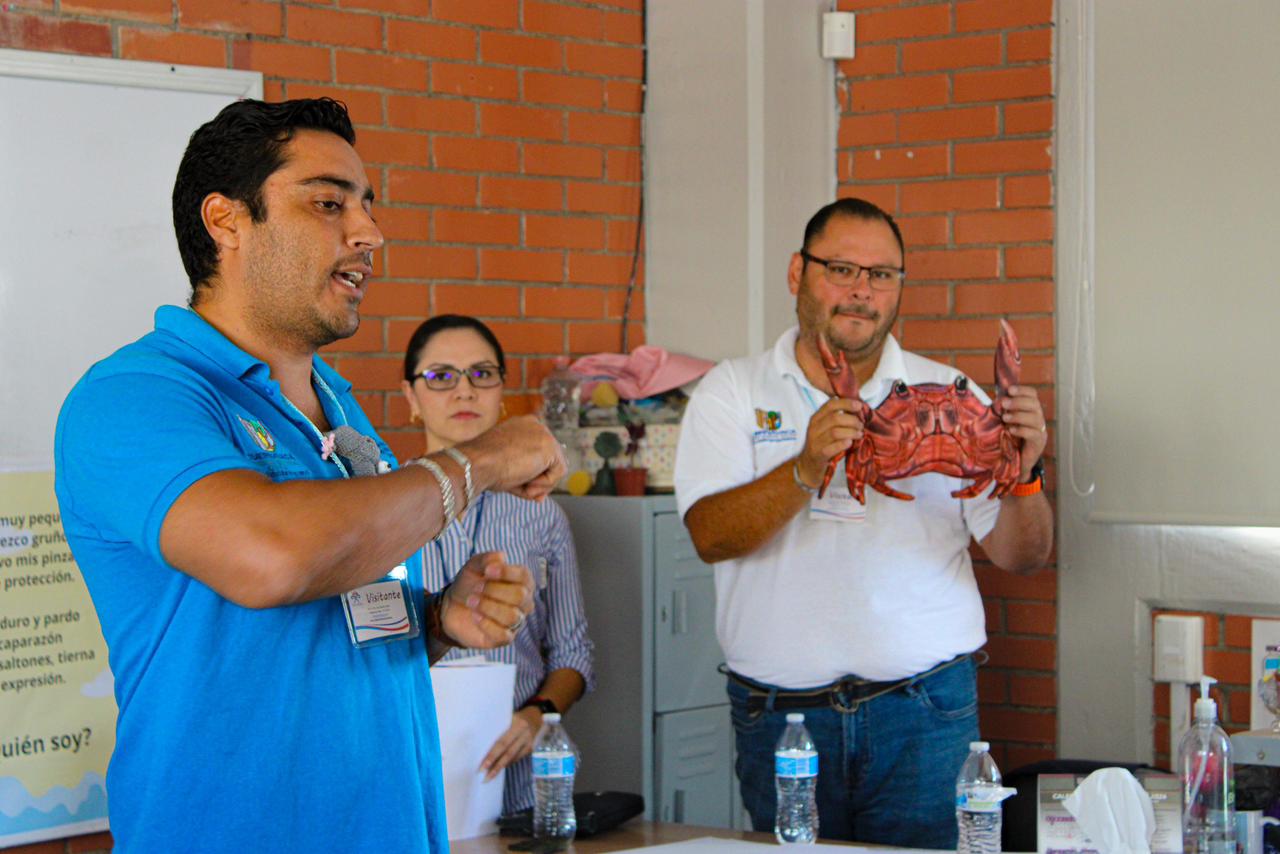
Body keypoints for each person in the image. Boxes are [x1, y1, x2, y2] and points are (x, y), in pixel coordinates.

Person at [53, 98, 565, 853]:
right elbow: (274, 558)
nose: (369, 233)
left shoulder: (339, 408)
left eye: (367, 207)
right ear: (227, 221)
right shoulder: (135, 396)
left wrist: (435, 622)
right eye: (329, 204)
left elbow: (334, 620)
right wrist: (478, 460)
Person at [673, 197, 1053, 849]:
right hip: (784, 722)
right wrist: (804, 466)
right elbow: (711, 536)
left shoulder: (955, 396)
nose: (862, 291)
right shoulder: (732, 391)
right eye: (842, 269)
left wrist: (1024, 472)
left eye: (881, 275)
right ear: (798, 272)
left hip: (926, 714)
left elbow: (1023, 555)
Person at [400, 313, 595, 815]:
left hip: (525, 782)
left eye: (482, 374)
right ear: (411, 398)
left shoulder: (540, 512)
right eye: (441, 376)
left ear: (502, 393)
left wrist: (537, 716)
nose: (464, 391)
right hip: (415, 770)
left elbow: (573, 653)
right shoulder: (386, 508)